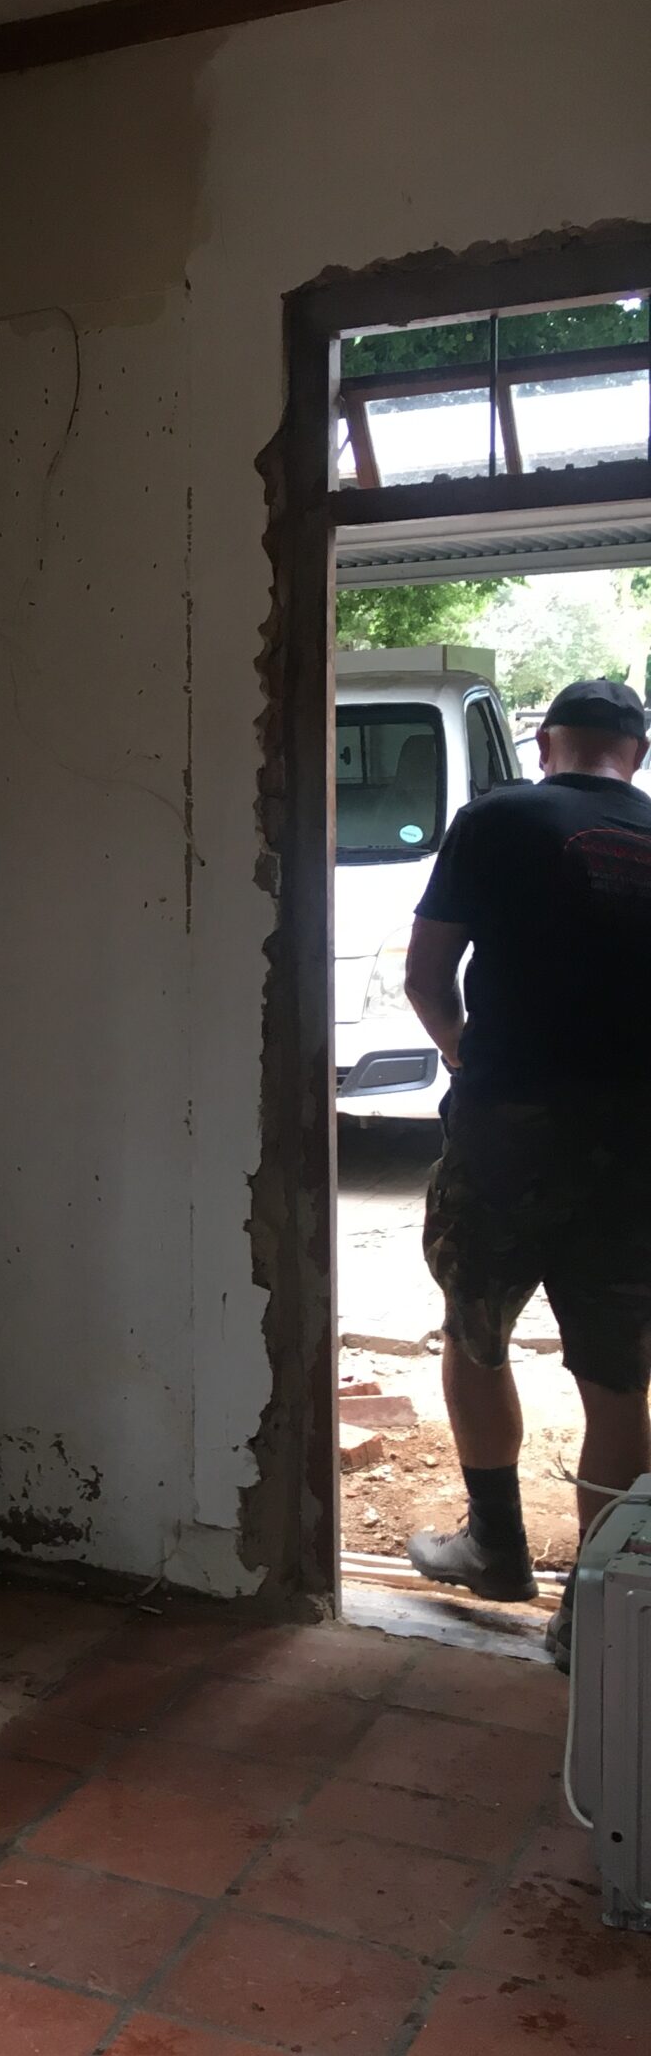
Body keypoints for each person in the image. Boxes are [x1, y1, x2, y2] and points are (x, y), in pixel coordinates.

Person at [403, 677, 651, 1663]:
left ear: (545, 743)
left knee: (475, 1331)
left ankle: (495, 1546)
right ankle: (593, 1615)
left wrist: (471, 1060)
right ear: (637, 754)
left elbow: (426, 977)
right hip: (637, 1142)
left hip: (509, 1130)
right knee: (618, 1377)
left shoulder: (496, 818)